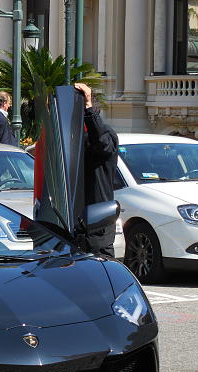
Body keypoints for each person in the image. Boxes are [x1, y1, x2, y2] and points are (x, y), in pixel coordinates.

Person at [74, 82, 119, 257]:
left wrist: (88, 108)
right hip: (75, 227)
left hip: (97, 228)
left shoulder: (107, 135)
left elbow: (102, 144)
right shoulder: (74, 139)